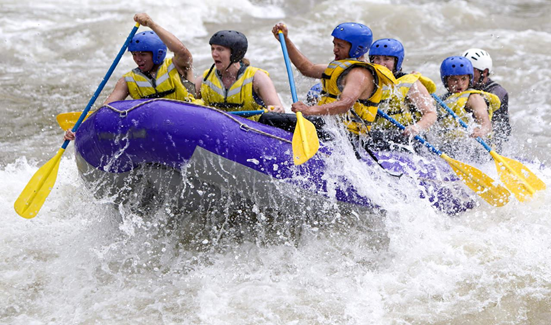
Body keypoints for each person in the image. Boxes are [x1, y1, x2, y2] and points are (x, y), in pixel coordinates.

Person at [65, 13, 195, 141]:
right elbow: (106, 109)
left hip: (185, 124)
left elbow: (182, 50)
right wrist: (79, 130)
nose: (137, 59)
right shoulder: (128, 80)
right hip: (153, 131)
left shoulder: (178, 65)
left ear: (157, 54)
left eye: (143, 54)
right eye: (134, 54)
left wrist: (151, 24)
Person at [270, 22, 396, 140]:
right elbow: (307, 68)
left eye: (340, 46)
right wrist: (285, 40)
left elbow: (345, 104)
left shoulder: (359, 74)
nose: (335, 49)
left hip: (348, 136)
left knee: (269, 119)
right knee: (277, 118)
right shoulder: (343, 68)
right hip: (331, 128)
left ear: (357, 49)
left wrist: (309, 110)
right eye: (334, 44)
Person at [194, 30, 284, 121]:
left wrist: (276, 109)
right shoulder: (204, 79)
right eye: (212, 49)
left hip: (250, 129)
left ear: (236, 54)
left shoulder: (258, 78)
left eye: (220, 49)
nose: (214, 54)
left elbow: (279, 111)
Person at [367, 38, 437, 151]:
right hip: (378, 136)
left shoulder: (410, 83)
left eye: (387, 59)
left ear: (396, 62)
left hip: (407, 138)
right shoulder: (367, 83)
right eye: (377, 59)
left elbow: (431, 113)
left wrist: (416, 128)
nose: (381, 64)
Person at [435, 56, 501, 154]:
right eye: (454, 80)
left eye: (463, 79)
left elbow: (486, 124)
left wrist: (481, 131)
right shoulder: (442, 99)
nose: (460, 84)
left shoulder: (474, 98)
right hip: (449, 148)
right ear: (446, 80)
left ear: (469, 79)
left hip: (475, 150)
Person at [463, 48, 511, 150]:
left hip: (492, 141)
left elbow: (482, 108)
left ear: (484, 72)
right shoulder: (463, 87)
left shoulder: (497, 91)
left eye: (470, 70)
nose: (466, 74)